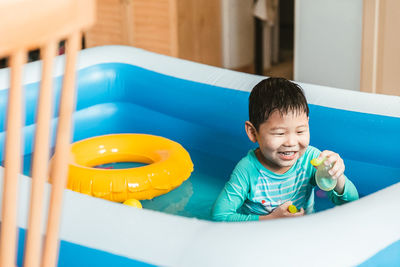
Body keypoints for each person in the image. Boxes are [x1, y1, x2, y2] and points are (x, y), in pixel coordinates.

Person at [211, 77, 359, 222]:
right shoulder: (247, 171)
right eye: (280, 133)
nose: (291, 142)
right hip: (260, 236)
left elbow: (351, 204)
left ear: (308, 123)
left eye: (300, 131)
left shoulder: (310, 160)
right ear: (253, 132)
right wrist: (269, 219)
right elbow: (219, 216)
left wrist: (337, 177)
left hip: (302, 233)